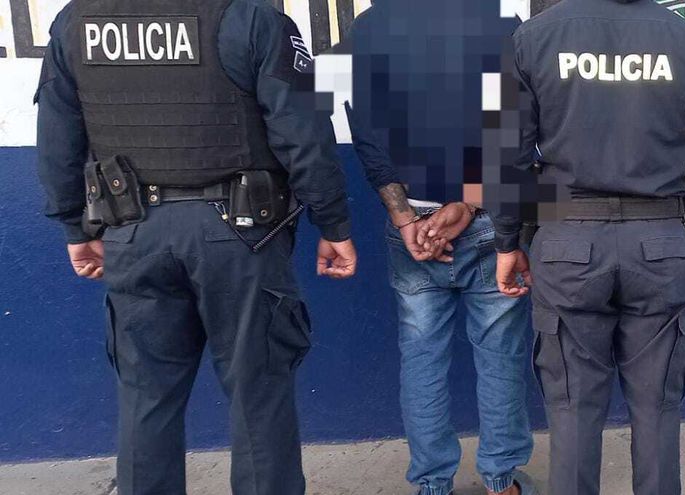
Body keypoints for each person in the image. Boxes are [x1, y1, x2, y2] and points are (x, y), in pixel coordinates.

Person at [34, 1, 357, 494]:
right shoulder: (251, 18)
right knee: (259, 394)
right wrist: (332, 224)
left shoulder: (76, 21)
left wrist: (76, 230)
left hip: (132, 231)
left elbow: (58, 137)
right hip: (240, 237)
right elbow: (304, 134)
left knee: (145, 397)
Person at [487, 0, 685, 494]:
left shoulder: (531, 40)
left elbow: (504, 155)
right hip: (659, 243)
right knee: (659, 407)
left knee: (571, 408)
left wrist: (506, 241)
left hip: (567, 243)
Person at [339, 1, 536, 494]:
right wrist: (467, 204)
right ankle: (502, 483)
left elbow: (366, 132)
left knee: (421, 357)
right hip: (488, 220)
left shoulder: (370, 26)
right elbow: (513, 128)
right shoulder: (500, 23)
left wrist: (404, 218)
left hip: (414, 225)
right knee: (500, 354)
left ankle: (431, 486)